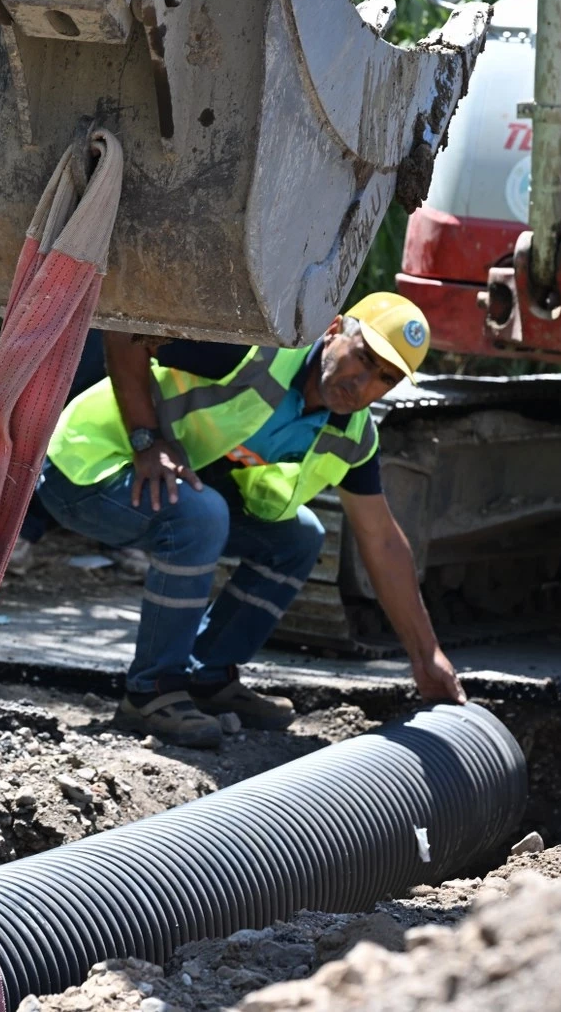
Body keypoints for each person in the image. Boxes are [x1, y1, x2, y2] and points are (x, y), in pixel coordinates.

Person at [34, 292, 465, 748]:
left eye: (385, 378)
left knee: (299, 537)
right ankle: (152, 693)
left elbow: (382, 540)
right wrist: (147, 438)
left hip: (169, 490)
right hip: (87, 468)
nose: (364, 383)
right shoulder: (255, 351)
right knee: (202, 515)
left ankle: (207, 678)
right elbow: (123, 329)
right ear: (334, 329)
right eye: (364, 357)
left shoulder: (352, 437)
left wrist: (427, 656)